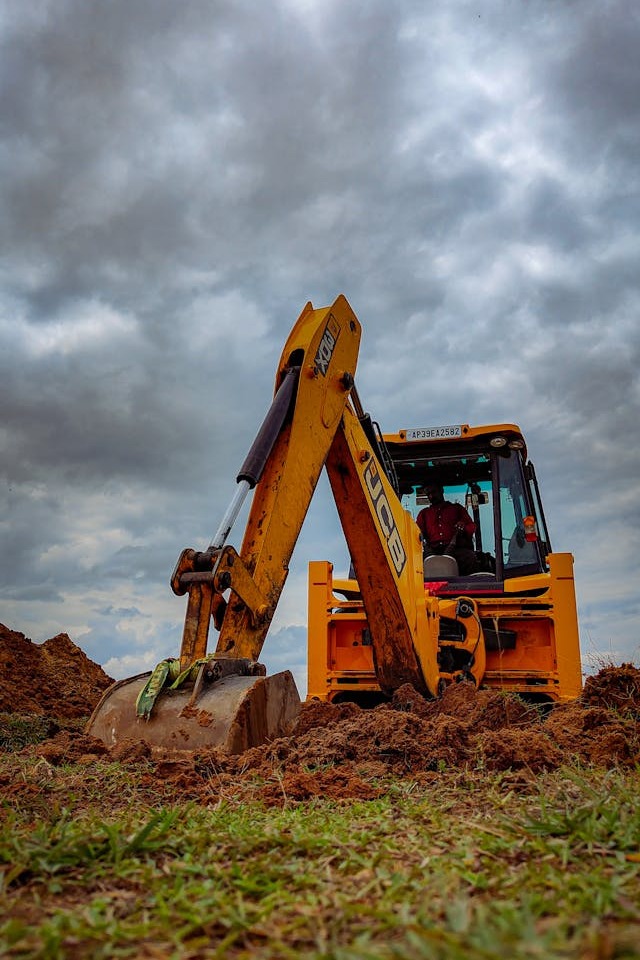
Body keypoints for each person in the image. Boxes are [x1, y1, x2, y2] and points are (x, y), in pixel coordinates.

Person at [416, 482, 481, 575]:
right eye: (428, 494)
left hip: (456, 550)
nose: (431, 496)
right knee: (414, 563)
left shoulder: (457, 509)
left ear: (441, 490)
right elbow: (416, 532)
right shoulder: (424, 514)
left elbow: (471, 527)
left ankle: (471, 586)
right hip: (432, 551)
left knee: (470, 558)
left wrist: (463, 527)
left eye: (433, 492)